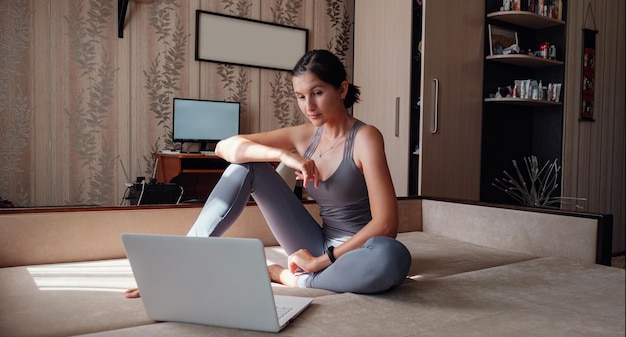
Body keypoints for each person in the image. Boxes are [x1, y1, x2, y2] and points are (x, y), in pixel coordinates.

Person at [125, 49, 411, 297]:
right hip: (313, 241)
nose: (308, 106)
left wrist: (319, 261)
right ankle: (177, 266)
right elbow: (225, 147)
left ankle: (290, 277)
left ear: (342, 89)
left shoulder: (365, 137)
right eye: (300, 96)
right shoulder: (304, 136)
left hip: (356, 251)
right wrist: (282, 155)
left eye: (318, 93)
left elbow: (387, 225)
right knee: (246, 166)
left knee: (392, 257)